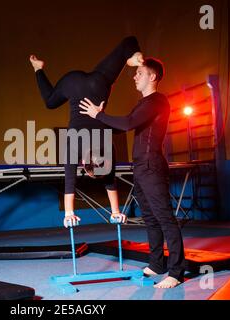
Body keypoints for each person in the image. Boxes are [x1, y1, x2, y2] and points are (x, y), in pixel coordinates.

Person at [79, 58, 185, 289]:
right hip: (140, 166)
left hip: (151, 166)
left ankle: (176, 272)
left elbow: (127, 123)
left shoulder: (157, 101)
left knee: (165, 217)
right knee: (150, 218)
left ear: (153, 76)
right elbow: (120, 124)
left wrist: (98, 115)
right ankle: (157, 264)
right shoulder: (142, 103)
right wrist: (95, 129)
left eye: (139, 73)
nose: (134, 77)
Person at [29, 37, 144, 229]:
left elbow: (109, 180)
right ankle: (37, 67)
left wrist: (116, 212)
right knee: (50, 102)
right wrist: (69, 214)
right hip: (72, 84)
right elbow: (70, 182)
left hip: (98, 85)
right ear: (83, 163)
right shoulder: (74, 146)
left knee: (127, 44)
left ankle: (133, 56)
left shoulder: (106, 148)